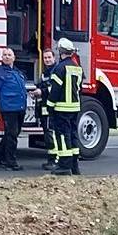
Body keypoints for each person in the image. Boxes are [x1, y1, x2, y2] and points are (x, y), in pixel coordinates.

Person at [40, 39, 83, 175]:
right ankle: (74, 166)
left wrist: (49, 105)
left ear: (60, 52)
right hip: (75, 108)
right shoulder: (77, 67)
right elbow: (79, 88)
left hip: (62, 108)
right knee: (73, 135)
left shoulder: (59, 68)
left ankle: (64, 166)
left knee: (63, 137)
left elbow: (55, 90)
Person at [0, 48, 29, 171]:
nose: (7, 57)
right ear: (2, 57)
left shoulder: (18, 72)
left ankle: (0, 157)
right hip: (9, 107)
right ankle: (10, 162)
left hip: (20, 107)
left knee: (12, 133)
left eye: (9, 55)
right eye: (4, 55)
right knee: (12, 135)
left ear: (14, 57)